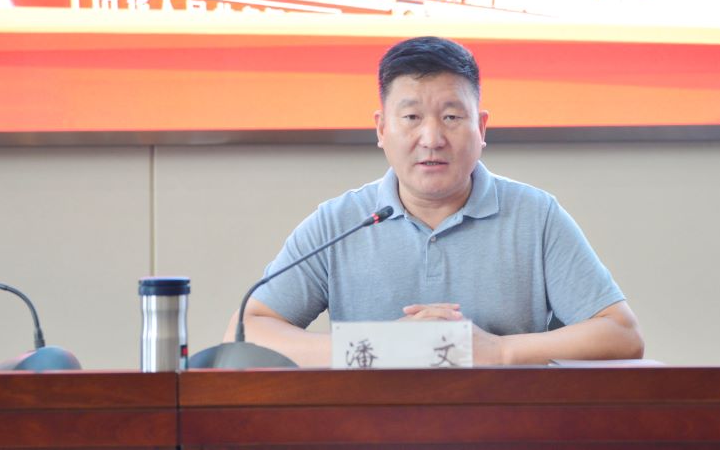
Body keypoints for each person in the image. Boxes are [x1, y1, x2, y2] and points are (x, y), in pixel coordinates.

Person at [226, 36, 644, 366]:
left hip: (505, 430)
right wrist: (383, 345)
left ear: (481, 128)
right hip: (368, 432)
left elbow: (622, 334)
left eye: (451, 117)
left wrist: (498, 351)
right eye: (411, 117)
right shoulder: (340, 222)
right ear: (381, 129)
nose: (431, 138)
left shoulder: (536, 216)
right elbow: (244, 333)